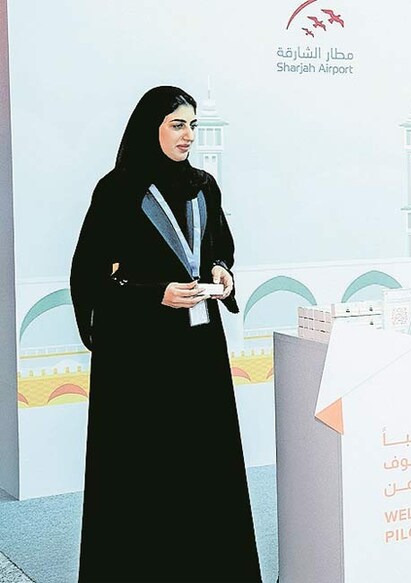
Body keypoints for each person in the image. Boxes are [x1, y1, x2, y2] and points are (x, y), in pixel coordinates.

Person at [70, 86, 261, 581]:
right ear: (150, 127)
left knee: (204, 470)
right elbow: (93, 275)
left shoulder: (203, 186)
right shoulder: (117, 191)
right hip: (143, 358)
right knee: (148, 476)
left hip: (199, 350)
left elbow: (218, 245)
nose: (188, 136)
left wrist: (221, 270)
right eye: (178, 124)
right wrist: (155, 294)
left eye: (193, 126)